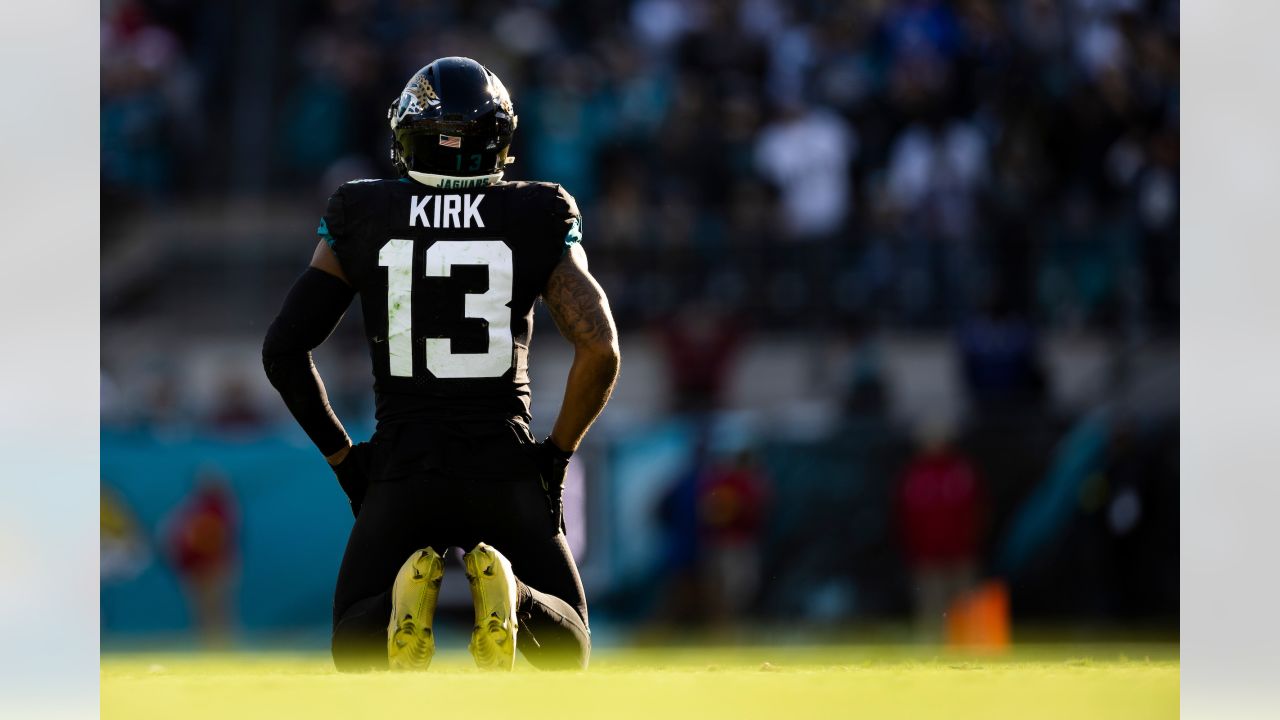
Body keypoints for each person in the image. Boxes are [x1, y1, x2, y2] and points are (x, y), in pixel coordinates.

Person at [261, 57, 620, 672]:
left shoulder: (362, 211)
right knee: (569, 646)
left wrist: (347, 460)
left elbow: (284, 350)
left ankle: (403, 603)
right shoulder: (538, 210)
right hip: (502, 462)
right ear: (500, 140)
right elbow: (600, 348)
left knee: (354, 639)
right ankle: (520, 600)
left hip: (404, 464)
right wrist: (555, 458)